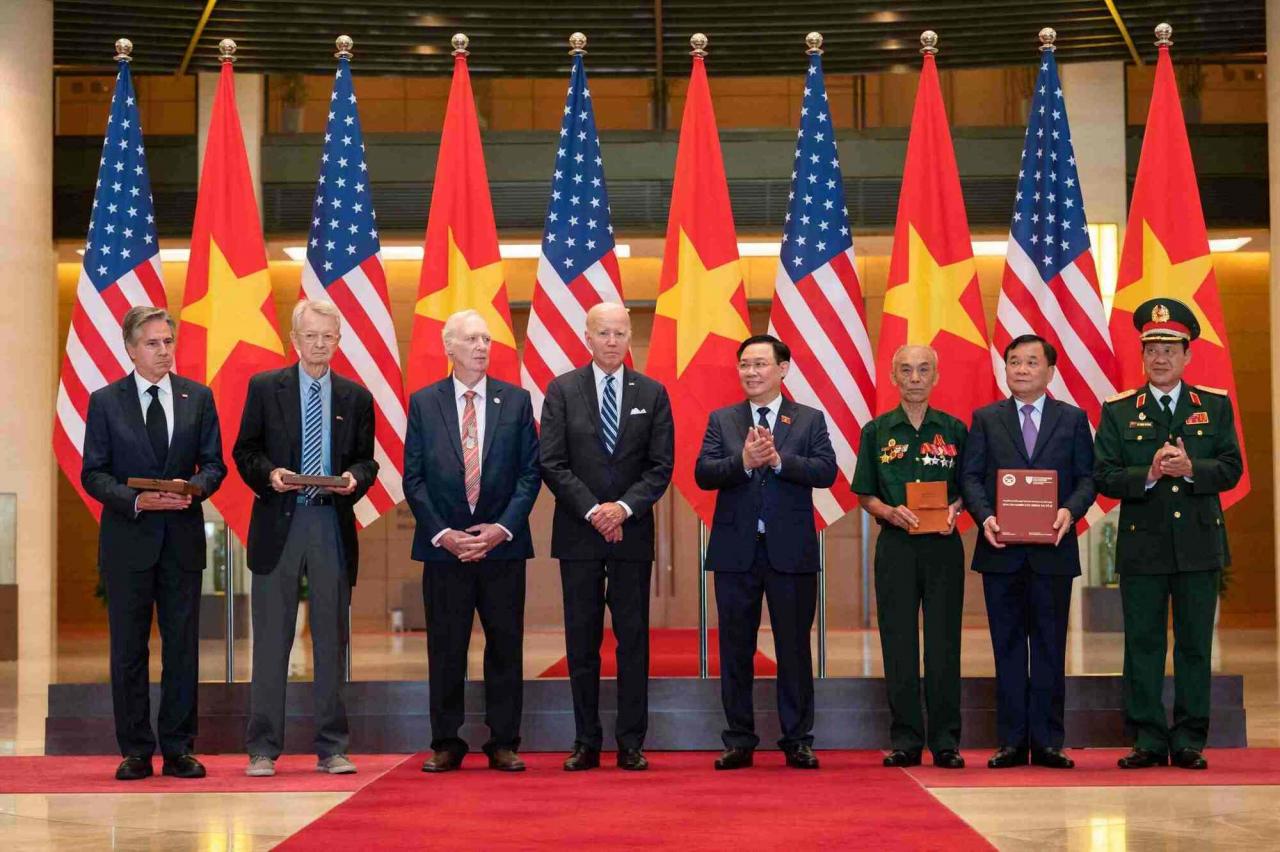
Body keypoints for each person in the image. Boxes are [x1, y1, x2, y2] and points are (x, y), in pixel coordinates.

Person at [1094, 297, 1242, 770]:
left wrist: (1191, 467)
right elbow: (1104, 475)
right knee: (1143, 644)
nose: (1160, 357)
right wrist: (1152, 474)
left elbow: (1232, 469)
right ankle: (1148, 739)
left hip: (1199, 544)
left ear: (1187, 354)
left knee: (1196, 644)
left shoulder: (1213, 406)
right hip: (1144, 545)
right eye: (1152, 349)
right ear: (1142, 355)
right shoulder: (1119, 410)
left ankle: (1190, 739)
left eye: (1170, 349)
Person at [232, 299, 378, 777]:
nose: (320, 345)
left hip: (330, 524)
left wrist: (356, 478)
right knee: (272, 642)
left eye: (328, 336)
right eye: (311, 336)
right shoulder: (264, 388)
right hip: (280, 523)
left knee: (332, 641)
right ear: (293, 340)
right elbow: (245, 450)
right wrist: (270, 474)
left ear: (339, 339)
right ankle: (262, 749)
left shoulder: (356, 397)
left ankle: (332, 747)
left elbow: (366, 460)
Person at [81, 306, 226, 781]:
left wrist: (193, 489)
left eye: (168, 342)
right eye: (153, 344)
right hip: (128, 543)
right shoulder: (105, 401)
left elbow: (214, 465)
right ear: (130, 348)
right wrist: (138, 500)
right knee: (128, 650)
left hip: (181, 543)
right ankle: (136, 750)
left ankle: (180, 748)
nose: (164, 351)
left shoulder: (198, 398)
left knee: (182, 649)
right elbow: (94, 473)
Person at [404, 309, 540, 773]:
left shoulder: (517, 401)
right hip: (444, 550)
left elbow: (529, 474)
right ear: (449, 348)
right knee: (446, 646)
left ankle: (503, 741)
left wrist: (502, 529)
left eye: (486, 338)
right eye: (471, 339)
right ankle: (446, 741)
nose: (482, 346)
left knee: (505, 645)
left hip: (502, 547)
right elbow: (414, 478)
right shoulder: (424, 403)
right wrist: (444, 534)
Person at [539, 302, 674, 772]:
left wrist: (622, 508)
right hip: (578, 535)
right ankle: (586, 741)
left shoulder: (653, 393)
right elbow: (551, 462)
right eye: (603, 333)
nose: (612, 341)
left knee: (633, 640)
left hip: (631, 535)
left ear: (629, 337)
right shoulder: (562, 390)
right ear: (587, 337)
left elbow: (661, 467)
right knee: (581, 642)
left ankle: (632, 742)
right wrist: (596, 510)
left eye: (620, 333)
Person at [694, 334, 837, 770]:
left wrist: (777, 462)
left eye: (760, 364)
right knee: (736, 648)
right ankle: (739, 739)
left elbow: (826, 471)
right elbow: (704, 473)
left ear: (783, 368)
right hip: (736, 552)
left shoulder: (809, 420)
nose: (751, 372)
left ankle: (797, 739)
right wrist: (743, 461)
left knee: (794, 648)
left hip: (790, 553)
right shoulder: (723, 420)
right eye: (744, 365)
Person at [960, 334, 1095, 769]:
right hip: (1001, 550)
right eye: (1013, 361)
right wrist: (985, 518)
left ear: (1050, 372)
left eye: (1031, 362)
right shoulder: (985, 418)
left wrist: (1069, 512)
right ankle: (1012, 741)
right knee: (1009, 648)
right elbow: (972, 476)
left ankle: (1050, 741)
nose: (1020, 369)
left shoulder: (1073, 419)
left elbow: (1087, 479)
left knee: (1051, 648)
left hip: (1053, 551)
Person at [851, 344, 966, 770]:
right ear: (894, 378)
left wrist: (956, 508)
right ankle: (905, 740)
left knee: (943, 645)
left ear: (936, 376)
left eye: (923, 370)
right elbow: (865, 493)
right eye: (906, 370)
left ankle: (946, 741)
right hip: (895, 546)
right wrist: (888, 511)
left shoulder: (954, 430)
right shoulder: (876, 431)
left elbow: (966, 488)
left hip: (942, 546)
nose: (915, 377)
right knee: (898, 643)